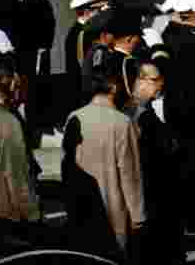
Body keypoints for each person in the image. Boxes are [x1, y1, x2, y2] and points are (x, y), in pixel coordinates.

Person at [61, 62, 145, 260]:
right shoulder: (122, 122)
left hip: (80, 210)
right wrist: (137, 214)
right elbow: (130, 173)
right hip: (113, 212)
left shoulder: (74, 117)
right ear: (114, 88)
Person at [120, 55, 181, 263]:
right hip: (150, 190)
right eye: (156, 80)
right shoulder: (138, 115)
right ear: (141, 80)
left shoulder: (143, 111)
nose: (160, 85)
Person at [0, 56, 39, 223]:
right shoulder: (9, 121)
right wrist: (32, 215)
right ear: (13, 85)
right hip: (0, 217)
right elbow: (17, 176)